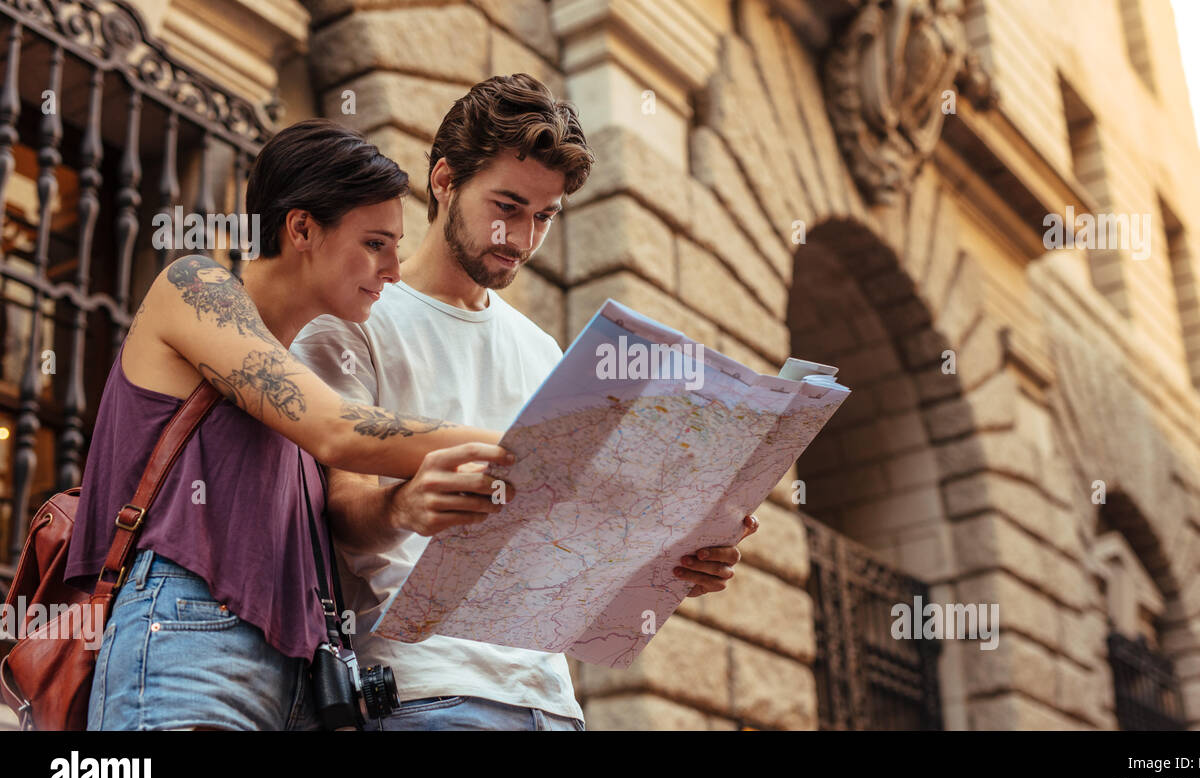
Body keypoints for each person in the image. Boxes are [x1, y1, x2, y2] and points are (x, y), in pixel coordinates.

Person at [291, 74, 757, 732]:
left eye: (544, 216)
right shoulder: (356, 319)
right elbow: (340, 509)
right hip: (426, 689)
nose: (522, 236)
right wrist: (404, 506)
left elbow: (572, 547)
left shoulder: (545, 353)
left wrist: (675, 558)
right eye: (506, 205)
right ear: (444, 180)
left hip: (553, 701)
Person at [65, 119, 509, 731]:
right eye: (376, 243)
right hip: (190, 640)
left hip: (298, 680)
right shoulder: (195, 286)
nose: (394, 270)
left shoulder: (303, 373)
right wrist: (531, 451)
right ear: (302, 228)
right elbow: (339, 428)